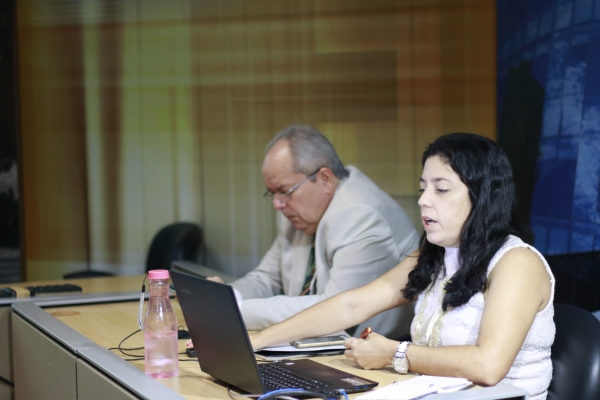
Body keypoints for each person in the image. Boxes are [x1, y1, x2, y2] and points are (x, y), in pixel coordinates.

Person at [251, 133, 555, 400]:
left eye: (441, 189)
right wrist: (260, 339)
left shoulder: (517, 263)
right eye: (423, 188)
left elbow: (488, 366)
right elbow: (352, 305)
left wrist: (394, 353)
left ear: (482, 196)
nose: (424, 200)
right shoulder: (434, 254)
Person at [222, 124, 420, 337]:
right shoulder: (300, 211)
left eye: (284, 191)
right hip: (315, 346)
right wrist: (226, 297)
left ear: (325, 178)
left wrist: (236, 310)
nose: (277, 204)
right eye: (273, 194)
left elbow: (332, 311)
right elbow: (268, 278)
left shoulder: (360, 214)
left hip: (372, 355)